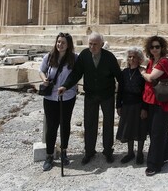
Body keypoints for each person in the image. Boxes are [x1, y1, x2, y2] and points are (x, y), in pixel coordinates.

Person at [59, 32, 122, 165]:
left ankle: (107, 151)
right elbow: (76, 73)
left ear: (101, 45)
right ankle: (89, 151)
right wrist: (65, 86)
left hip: (107, 95)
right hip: (91, 95)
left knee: (108, 123)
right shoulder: (84, 55)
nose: (92, 47)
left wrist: (122, 99)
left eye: (95, 44)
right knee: (89, 123)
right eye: (90, 44)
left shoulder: (109, 57)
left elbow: (119, 76)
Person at [39, 32, 78, 172]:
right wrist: (44, 79)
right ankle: (49, 155)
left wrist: (67, 86)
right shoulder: (49, 57)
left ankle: (64, 152)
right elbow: (42, 71)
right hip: (50, 97)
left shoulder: (74, 58)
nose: (60, 45)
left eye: (63, 43)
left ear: (68, 45)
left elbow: (78, 74)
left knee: (65, 124)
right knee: (51, 126)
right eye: (58, 42)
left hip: (67, 96)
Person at [139, 36, 168, 176]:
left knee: (157, 132)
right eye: (152, 47)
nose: (154, 49)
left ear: (162, 48)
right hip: (152, 101)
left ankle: (154, 165)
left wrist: (142, 72)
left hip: (163, 102)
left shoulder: (164, 61)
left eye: (157, 47)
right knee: (159, 130)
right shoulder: (152, 61)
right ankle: (165, 155)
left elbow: (151, 77)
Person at [116, 47, 148, 165]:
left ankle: (140, 153)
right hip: (127, 105)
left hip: (139, 105)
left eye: (134, 57)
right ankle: (130, 153)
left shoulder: (142, 72)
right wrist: (118, 105)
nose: (132, 59)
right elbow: (120, 90)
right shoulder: (124, 72)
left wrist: (145, 108)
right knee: (128, 129)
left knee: (140, 129)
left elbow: (146, 91)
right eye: (130, 56)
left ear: (139, 59)